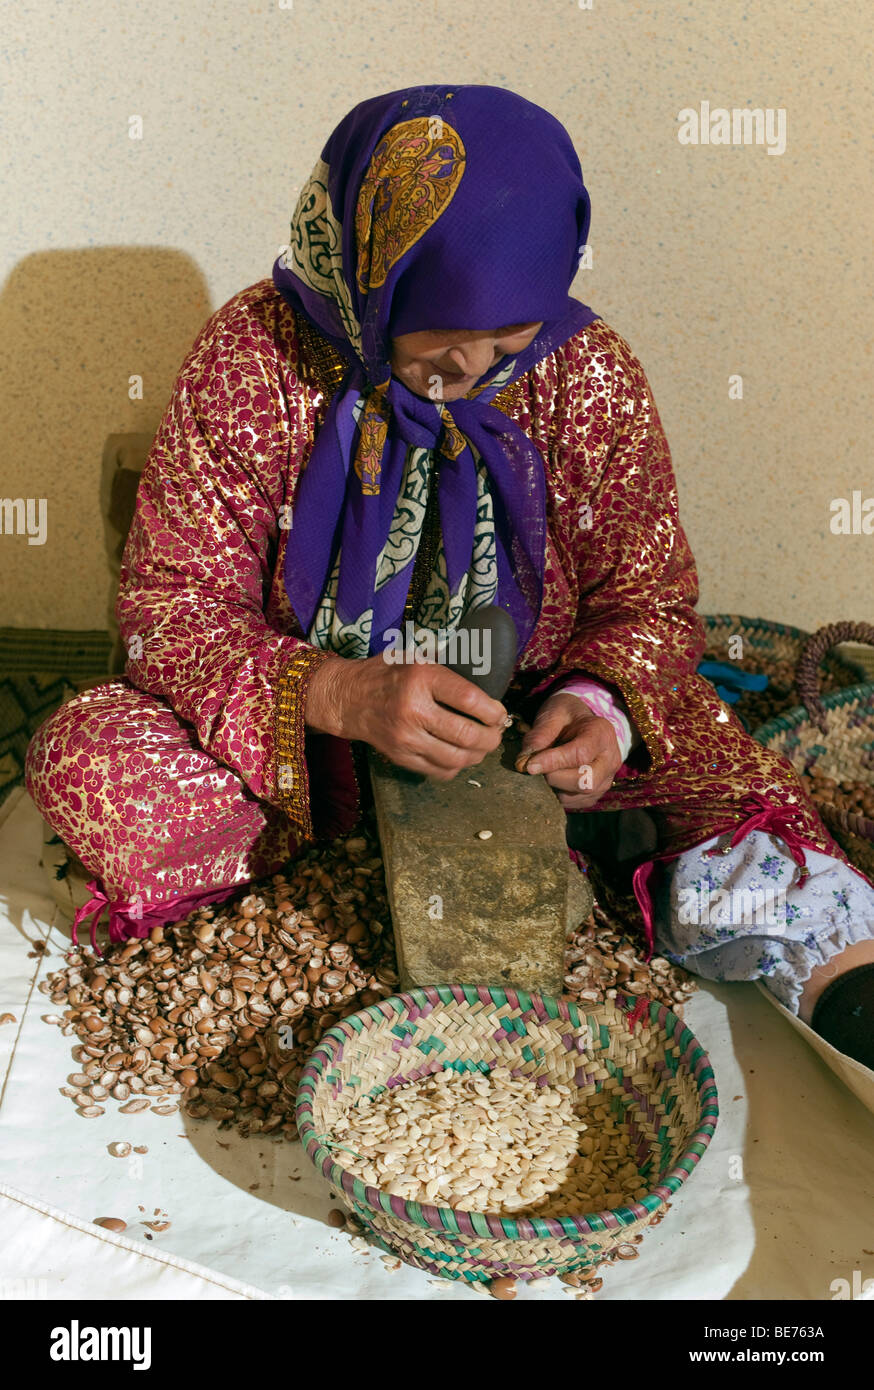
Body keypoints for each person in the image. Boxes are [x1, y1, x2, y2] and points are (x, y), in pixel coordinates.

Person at [25, 83, 874, 1068]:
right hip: (303, 743)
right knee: (88, 757)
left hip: (531, 729)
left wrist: (602, 710)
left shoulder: (584, 370)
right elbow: (169, 608)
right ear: (370, 273)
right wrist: (339, 690)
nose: (473, 373)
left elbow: (649, 601)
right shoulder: (256, 356)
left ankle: (832, 973)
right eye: (439, 346)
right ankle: (370, 853)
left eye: (507, 347)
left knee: (716, 756)